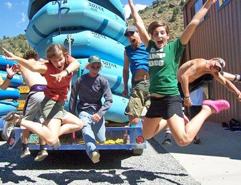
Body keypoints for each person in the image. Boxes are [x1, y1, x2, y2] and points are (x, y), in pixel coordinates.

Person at [129, 0, 230, 146]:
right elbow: (138, 22)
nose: (159, 36)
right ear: (152, 36)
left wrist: (208, 4)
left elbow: (194, 22)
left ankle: (207, 109)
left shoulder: (174, 47)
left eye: (162, 33)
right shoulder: (150, 46)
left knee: (183, 140)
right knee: (146, 134)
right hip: (155, 101)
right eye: (156, 33)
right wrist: (131, 3)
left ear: (168, 35)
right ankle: (169, 119)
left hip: (171, 99)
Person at [2, 44, 84, 149]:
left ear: (65, 56)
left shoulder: (68, 61)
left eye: (60, 59)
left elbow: (76, 63)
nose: (58, 63)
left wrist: (64, 72)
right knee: (51, 140)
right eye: (54, 61)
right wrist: (16, 58)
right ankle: (19, 120)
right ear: (50, 60)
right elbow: (33, 67)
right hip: (50, 103)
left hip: (59, 104)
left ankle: (51, 132)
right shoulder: (47, 68)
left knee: (79, 124)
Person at [69, 55, 113, 163]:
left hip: (97, 112)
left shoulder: (103, 81)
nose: (95, 69)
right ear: (88, 66)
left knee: (101, 139)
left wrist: (100, 113)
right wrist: (72, 113)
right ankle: (93, 152)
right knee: (85, 128)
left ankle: (94, 144)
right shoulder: (80, 80)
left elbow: (109, 100)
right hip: (84, 111)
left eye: (98, 67)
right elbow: (73, 97)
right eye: (93, 66)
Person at [18, 49, 48, 161]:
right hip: (46, 93)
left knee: (25, 121)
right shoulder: (41, 64)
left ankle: (25, 148)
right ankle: (43, 149)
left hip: (35, 91)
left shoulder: (22, 64)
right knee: (43, 121)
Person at [122, 25, 150, 127]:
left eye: (132, 33)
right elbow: (125, 69)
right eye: (127, 35)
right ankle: (138, 136)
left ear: (138, 33)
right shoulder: (127, 51)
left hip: (152, 84)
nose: (130, 37)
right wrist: (125, 87)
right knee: (133, 118)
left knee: (156, 116)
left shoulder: (148, 46)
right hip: (137, 86)